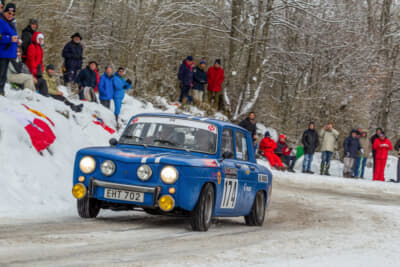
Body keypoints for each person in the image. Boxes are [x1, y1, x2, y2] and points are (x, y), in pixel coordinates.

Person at [0, 3, 18, 97]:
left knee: (4, 75)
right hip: (2, 53)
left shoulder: (12, 23)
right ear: (5, 11)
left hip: (8, 53)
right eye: (9, 12)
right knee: (1, 72)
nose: (10, 15)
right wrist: (9, 39)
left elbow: (14, 35)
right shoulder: (1, 21)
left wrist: (18, 40)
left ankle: (1, 91)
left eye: (12, 13)